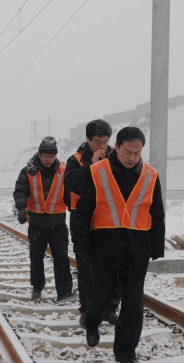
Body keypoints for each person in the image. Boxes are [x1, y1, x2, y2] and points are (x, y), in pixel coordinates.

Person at [72, 127, 165, 363]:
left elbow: (157, 214)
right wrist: (81, 245)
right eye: (127, 152)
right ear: (117, 147)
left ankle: (125, 352)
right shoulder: (97, 172)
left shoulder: (151, 175)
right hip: (103, 247)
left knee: (133, 303)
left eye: (137, 153)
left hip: (137, 250)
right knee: (97, 298)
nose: (132, 157)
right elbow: (82, 214)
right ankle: (92, 324)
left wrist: (157, 248)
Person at [64, 119, 121, 328]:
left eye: (106, 141)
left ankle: (110, 309)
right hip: (83, 221)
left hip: (109, 219)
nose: (102, 146)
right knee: (87, 268)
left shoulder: (116, 156)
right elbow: (71, 184)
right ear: (88, 139)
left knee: (113, 267)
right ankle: (87, 310)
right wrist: (92, 166)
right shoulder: (76, 160)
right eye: (98, 141)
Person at [13, 136, 73, 302]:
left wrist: (76, 208)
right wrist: (21, 208)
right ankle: (37, 288)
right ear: (39, 155)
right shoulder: (28, 171)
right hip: (37, 223)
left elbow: (70, 193)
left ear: (56, 156)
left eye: (52, 156)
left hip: (58, 223)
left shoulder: (63, 170)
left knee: (61, 258)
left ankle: (65, 291)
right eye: (46, 156)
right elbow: (20, 191)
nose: (48, 159)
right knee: (36, 257)